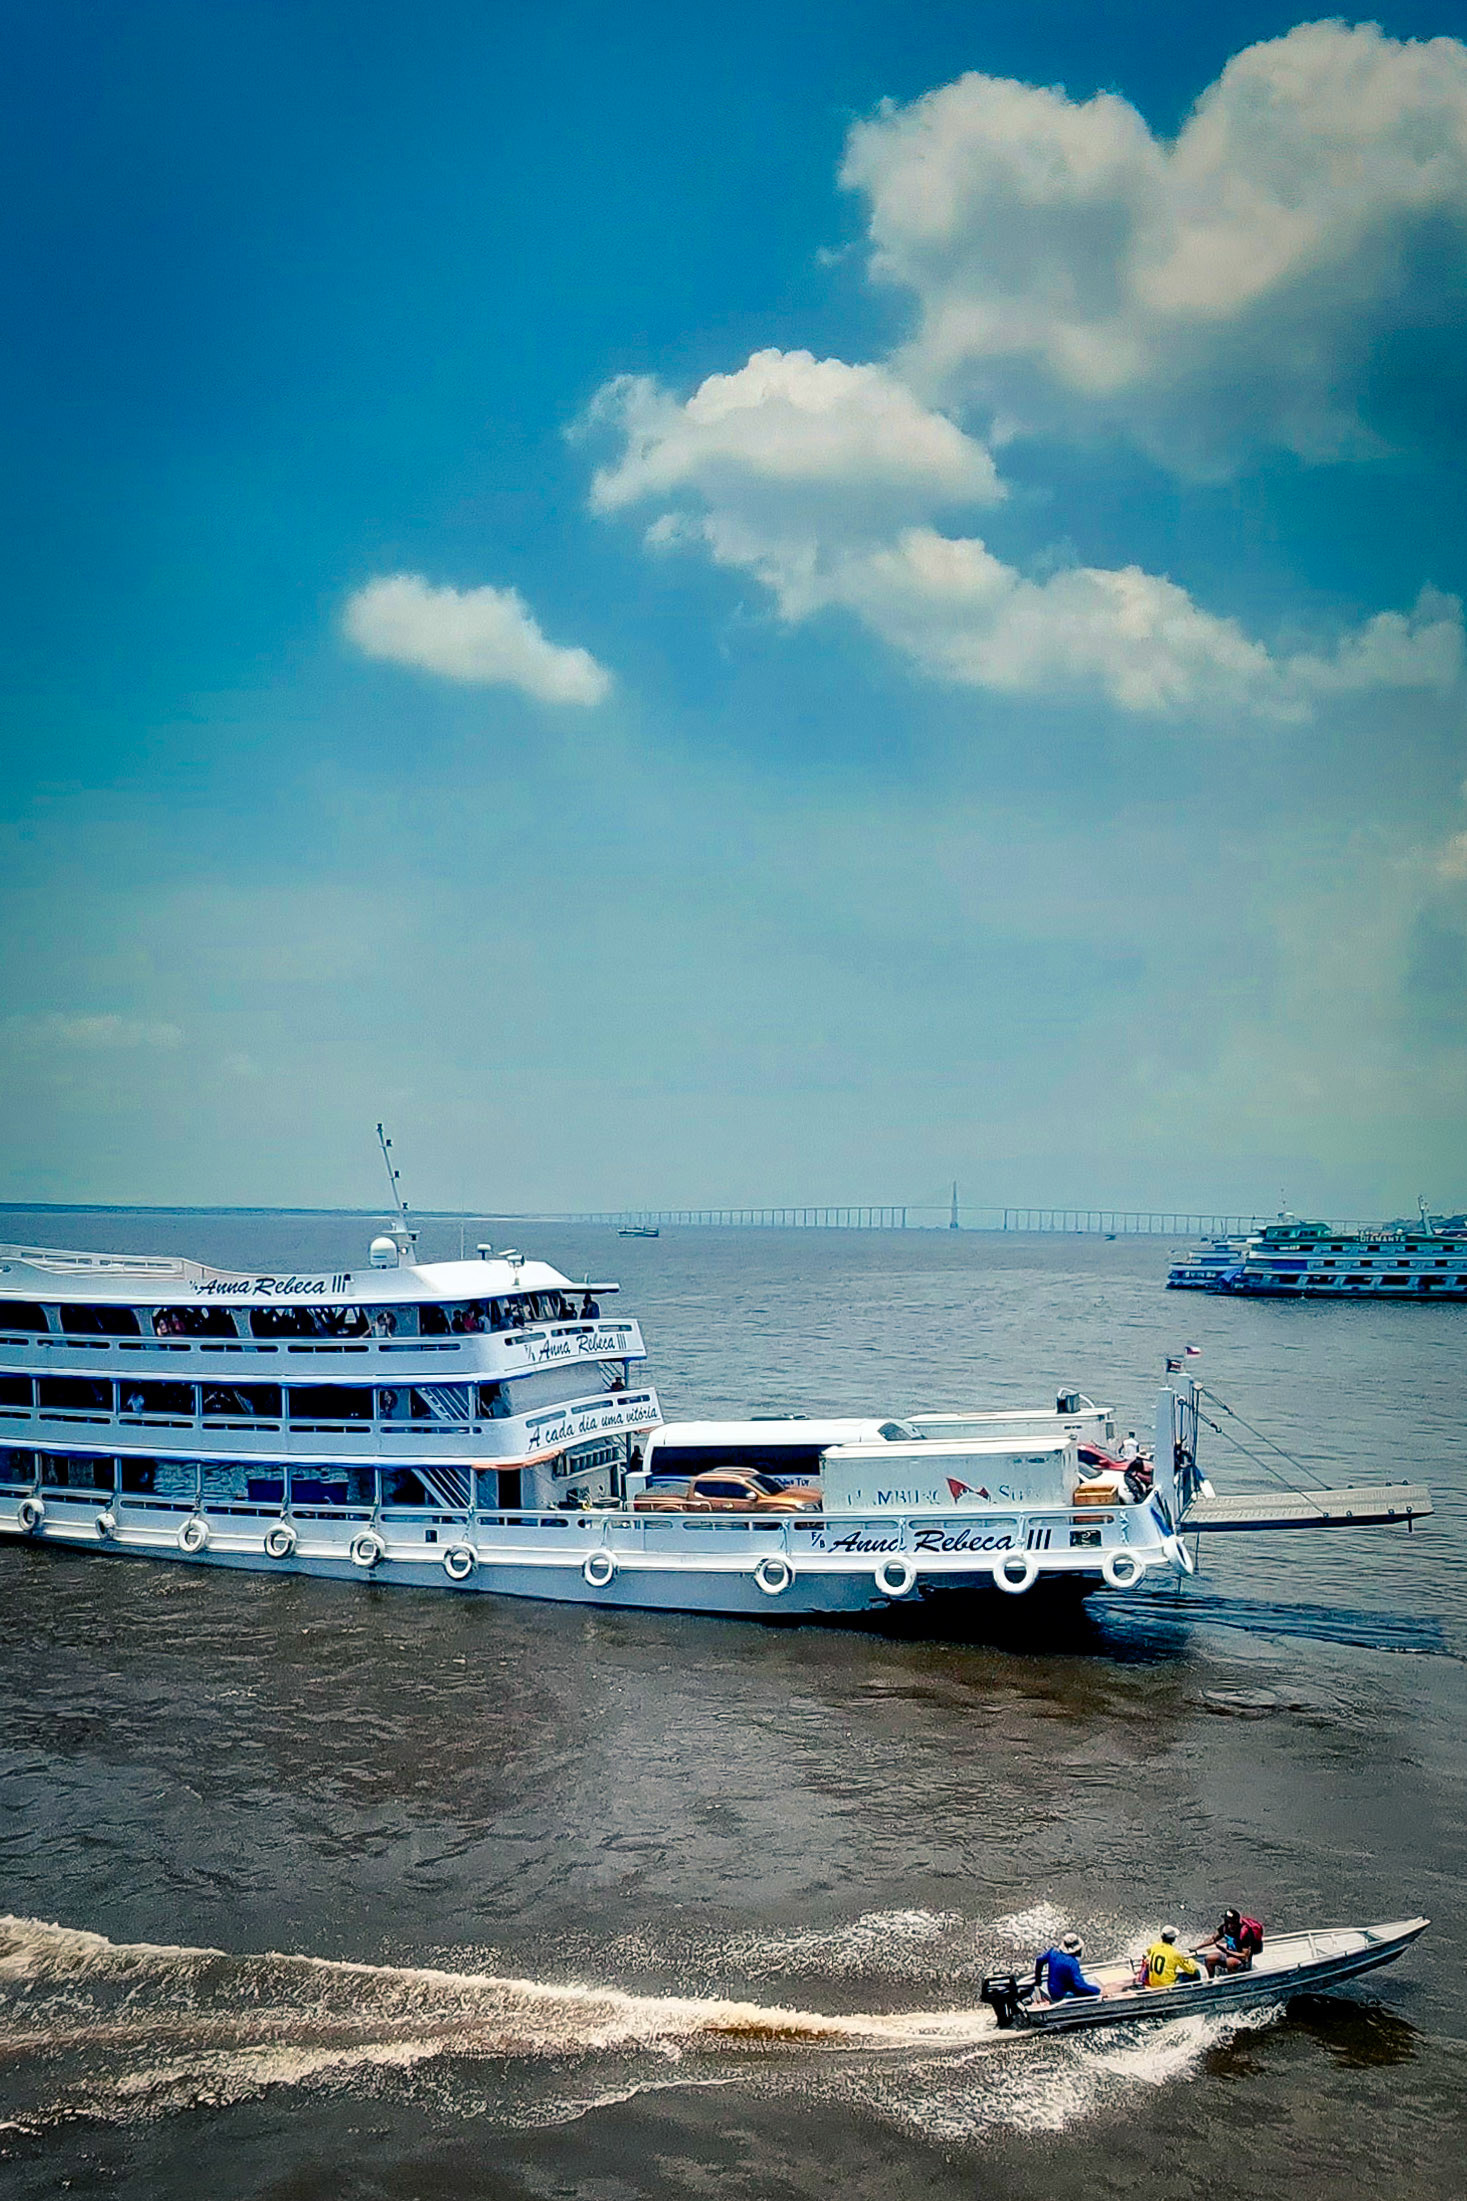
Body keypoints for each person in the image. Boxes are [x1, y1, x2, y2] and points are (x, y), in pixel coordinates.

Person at [1035, 1932, 1102, 2002]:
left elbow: (1039, 1960)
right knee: (1093, 1990)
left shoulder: (1053, 1952)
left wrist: (1038, 1981)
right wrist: (1098, 1991)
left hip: (1052, 1990)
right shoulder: (1072, 1963)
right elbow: (1080, 1985)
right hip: (1061, 1995)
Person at [1196, 1908, 1264, 1976]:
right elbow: (1213, 1939)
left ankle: (1231, 1982)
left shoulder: (1244, 1933)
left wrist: (1226, 1951)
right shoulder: (1224, 1928)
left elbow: (1244, 1956)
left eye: (1232, 1923)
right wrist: (1197, 1947)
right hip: (1228, 1954)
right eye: (1228, 1922)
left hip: (1242, 1961)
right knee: (1209, 1958)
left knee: (1230, 1962)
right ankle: (1211, 1981)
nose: (1230, 1926)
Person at [1135, 1926, 1202, 1990]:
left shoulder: (1154, 1946)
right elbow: (1190, 1970)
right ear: (1173, 1939)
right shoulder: (1175, 1953)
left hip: (1153, 1982)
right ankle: (1196, 1993)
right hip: (1166, 1984)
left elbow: (1147, 1952)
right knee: (1195, 1973)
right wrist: (1191, 1960)